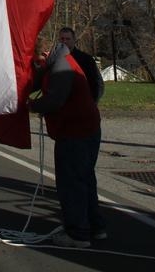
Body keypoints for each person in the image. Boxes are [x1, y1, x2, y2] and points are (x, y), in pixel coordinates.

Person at [30, 39, 106, 249]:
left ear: (45, 54)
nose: (37, 66)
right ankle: (95, 226)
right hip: (85, 128)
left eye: (37, 62)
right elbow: (36, 81)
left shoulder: (61, 67)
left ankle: (78, 234)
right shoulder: (57, 62)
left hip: (76, 132)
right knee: (85, 179)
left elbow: (55, 100)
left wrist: (31, 105)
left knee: (71, 183)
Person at [59, 27, 104, 103]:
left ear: (74, 40)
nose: (65, 41)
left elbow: (98, 83)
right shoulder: (55, 59)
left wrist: (92, 103)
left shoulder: (86, 59)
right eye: (62, 39)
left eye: (68, 39)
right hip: (61, 105)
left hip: (81, 102)